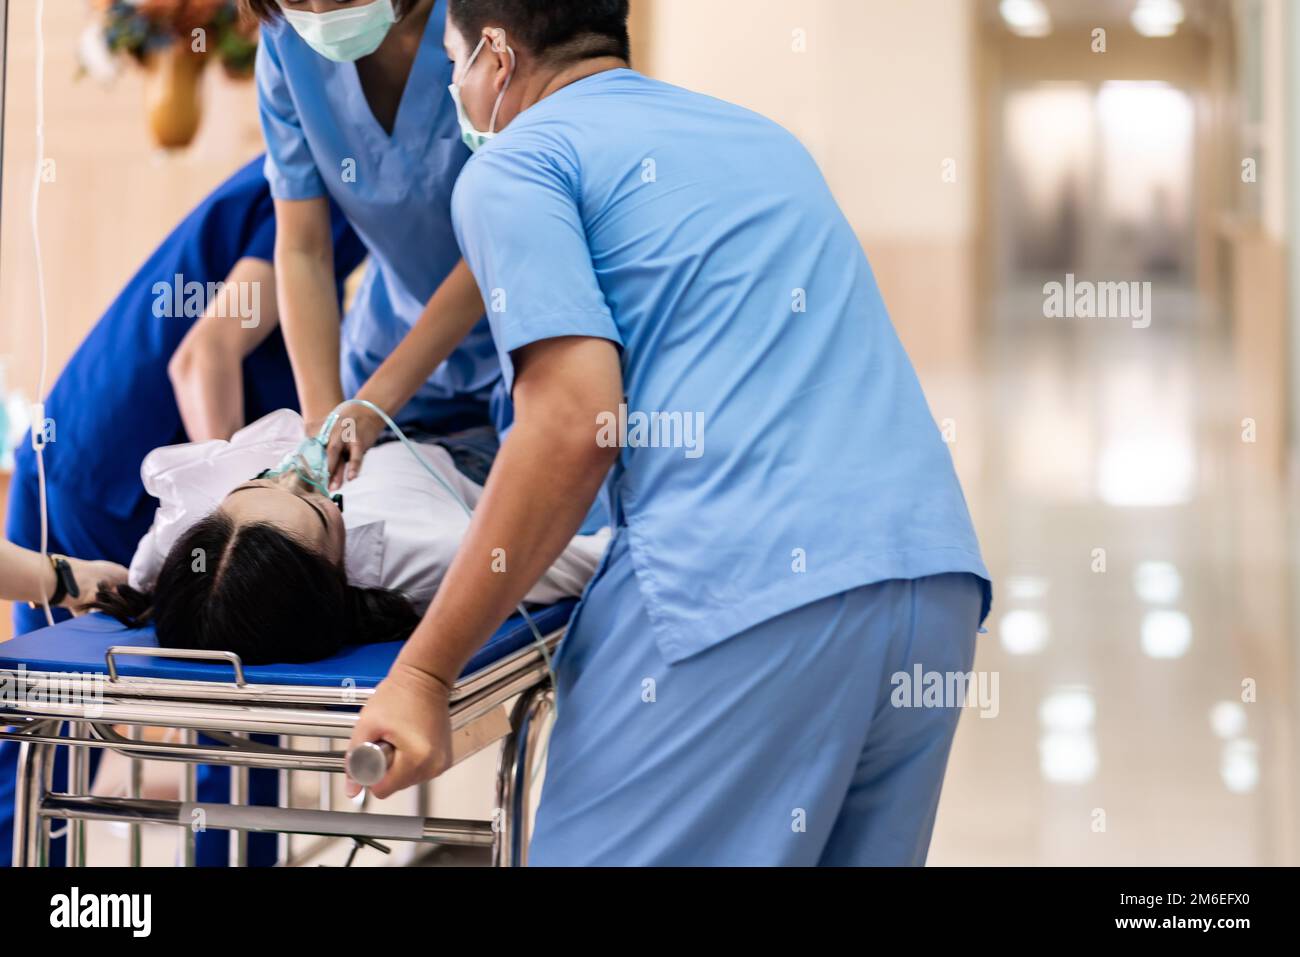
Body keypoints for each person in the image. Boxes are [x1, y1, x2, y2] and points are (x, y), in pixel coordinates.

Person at [347, 0, 994, 866]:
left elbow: (575, 424)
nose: (455, 90)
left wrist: (424, 673)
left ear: (496, 58)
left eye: (455, 62)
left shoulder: (516, 164)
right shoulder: (757, 138)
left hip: (735, 596)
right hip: (928, 580)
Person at [2, 155, 365, 867]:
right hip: (96, 483)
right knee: (47, 742)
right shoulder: (307, 193)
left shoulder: (328, 193)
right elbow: (203, 359)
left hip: (120, 478)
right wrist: (226, 515)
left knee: (240, 711)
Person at [92, 410, 608, 664]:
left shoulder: (199, 551)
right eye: (316, 503)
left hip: (392, 417)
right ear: (337, 573)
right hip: (475, 451)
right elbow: (598, 561)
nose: (297, 466)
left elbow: (153, 563)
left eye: (262, 479)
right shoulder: (443, 559)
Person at [242, 0, 502, 486]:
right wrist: (322, 428)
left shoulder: (487, 21)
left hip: (523, 343)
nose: (320, 12)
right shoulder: (285, 45)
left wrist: (371, 405)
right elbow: (303, 249)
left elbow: (502, 237)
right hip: (387, 351)